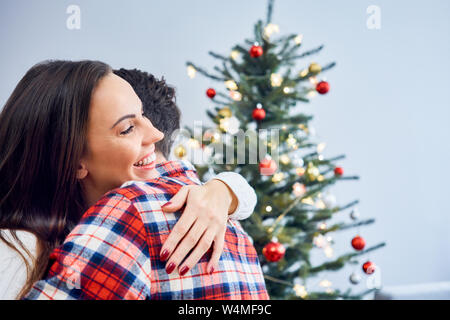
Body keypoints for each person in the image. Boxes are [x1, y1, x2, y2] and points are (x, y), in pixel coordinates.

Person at [0, 60, 258, 299]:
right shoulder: (17, 251)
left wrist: (224, 190)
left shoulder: (160, 213)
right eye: (127, 129)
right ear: (74, 160)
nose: (157, 134)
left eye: (143, 115)